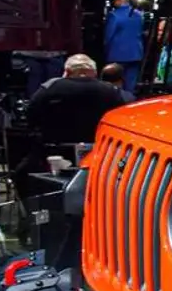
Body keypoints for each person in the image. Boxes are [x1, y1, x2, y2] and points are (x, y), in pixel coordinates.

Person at [21, 54, 125, 195]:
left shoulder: (50, 88)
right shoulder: (110, 91)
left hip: (54, 153)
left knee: (21, 173)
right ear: (94, 73)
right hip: (100, 154)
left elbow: (31, 116)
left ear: (67, 72)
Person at [103, 0, 145, 93]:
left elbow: (109, 35)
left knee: (115, 81)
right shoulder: (139, 15)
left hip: (117, 54)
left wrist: (105, 49)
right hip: (135, 53)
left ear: (118, 1)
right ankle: (130, 98)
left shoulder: (114, 15)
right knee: (131, 81)